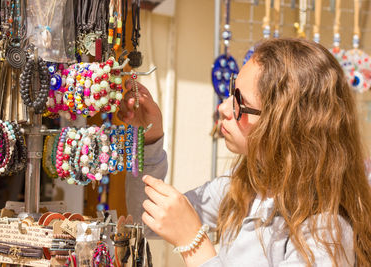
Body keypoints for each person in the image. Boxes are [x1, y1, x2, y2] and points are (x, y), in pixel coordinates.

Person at [118, 38, 371, 267]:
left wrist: (193, 243)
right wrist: (149, 137)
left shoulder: (327, 233)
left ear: (285, 126)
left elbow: (182, 236)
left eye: (241, 102)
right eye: (231, 91)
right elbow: (147, 218)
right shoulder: (247, 186)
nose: (224, 107)